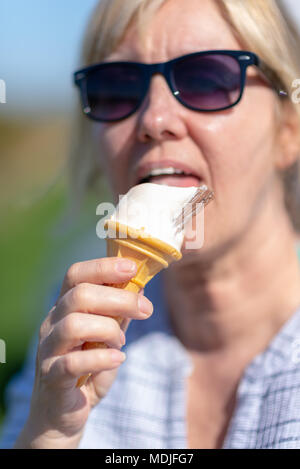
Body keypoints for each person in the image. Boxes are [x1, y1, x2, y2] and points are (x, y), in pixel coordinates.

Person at [1, 0, 300, 449]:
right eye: (117, 88)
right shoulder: (78, 331)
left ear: (288, 130)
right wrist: (49, 433)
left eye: (207, 79)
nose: (154, 120)